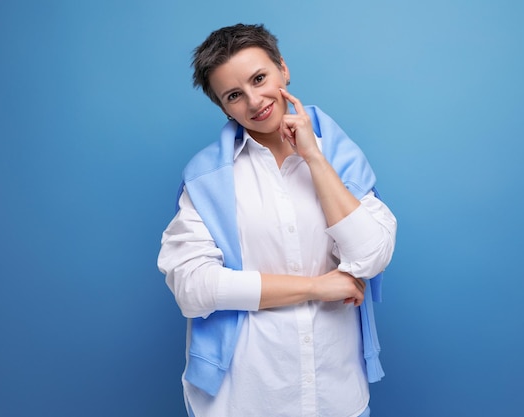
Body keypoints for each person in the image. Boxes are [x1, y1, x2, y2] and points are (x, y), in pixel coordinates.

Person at [157, 23, 397, 417]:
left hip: (335, 396)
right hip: (244, 398)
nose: (254, 101)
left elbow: (369, 256)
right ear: (223, 107)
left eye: (259, 78)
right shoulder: (207, 179)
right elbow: (193, 288)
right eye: (234, 95)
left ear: (283, 68)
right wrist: (317, 288)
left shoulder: (342, 159)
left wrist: (314, 159)